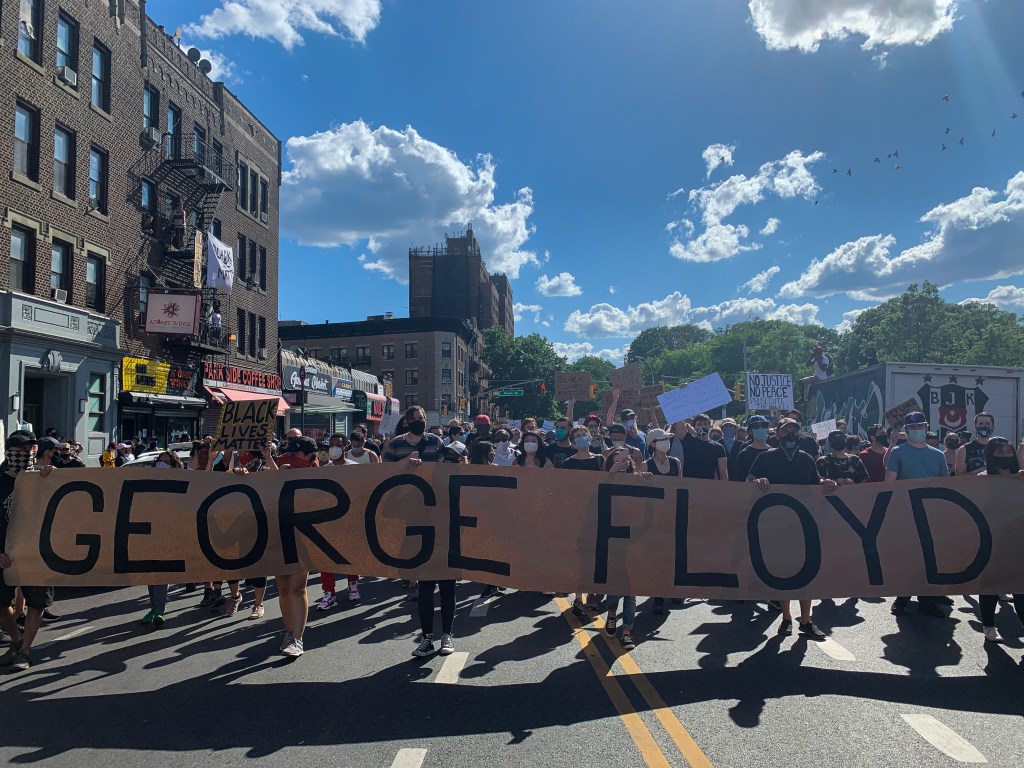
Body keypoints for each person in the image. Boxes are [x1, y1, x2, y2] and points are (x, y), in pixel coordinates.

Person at [747, 418, 837, 640]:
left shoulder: (806, 459)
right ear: (777, 434)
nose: (790, 434)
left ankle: (806, 620)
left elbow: (815, 483)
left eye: (794, 431)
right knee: (783, 572)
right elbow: (748, 481)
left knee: (806, 573)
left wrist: (827, 482)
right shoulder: (765, 458)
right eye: (786, 430)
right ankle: (786, 617)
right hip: (776, 523)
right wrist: (757, 482)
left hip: (803, 524)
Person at [885, 412, 953, 617]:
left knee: (929, 557)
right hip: (906, 513)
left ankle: (927, 598)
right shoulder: (898, 452)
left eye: (920, 427)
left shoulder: (938, 454)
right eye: (913, 428)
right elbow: (890, 482)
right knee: (907, 557)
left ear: (926, 427)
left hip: (931, 513)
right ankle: (902, 596)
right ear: (907, 430)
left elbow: (945, 485)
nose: (917, 431)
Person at [0, 431, 56, 671]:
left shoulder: (43, 478)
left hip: (38, 552)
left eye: (31, 449)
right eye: (21, 449)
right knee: (1, 606)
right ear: (10, 452)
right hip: (6, 554)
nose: (27, 454)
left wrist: (54, 477)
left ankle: (25, 651)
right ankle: (16, 639)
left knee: (36, 602)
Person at [603, 447, 653, 651]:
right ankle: (612, 614)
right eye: (617, 456)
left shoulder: (636, 477)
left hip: (634, 538)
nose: (622, 459)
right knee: (616, 586)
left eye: (625, 457)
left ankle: (627, 632)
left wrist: (647, 478)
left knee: (631, 589)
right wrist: (613, 471)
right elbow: (599, 493)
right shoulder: (607, 477)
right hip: (612, 538)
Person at [975, 437, 1024, 642]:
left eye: (1008, 451)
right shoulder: (981, 480)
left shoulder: (1021, 478)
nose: (1005, 455)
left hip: (1019, 540)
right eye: (1000, 452)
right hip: (992, 540)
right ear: (990, 456)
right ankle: (988, 625)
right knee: (991, 585)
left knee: (1020, 586)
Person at [678, 414, 728, 481]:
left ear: (710, 426)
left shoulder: (719, 447)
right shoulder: (689, 441)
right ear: (694, 427)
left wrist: (724, 490)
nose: (703, 426)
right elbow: (678, 420)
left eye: (705, 424)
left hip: (708, 487)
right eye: (699, 424)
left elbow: (723, 473)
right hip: (689, 486)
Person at [733, 415, 771, 483]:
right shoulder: (743, 455)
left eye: (764, 426)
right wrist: (753, 482)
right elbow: (739, 482)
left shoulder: (774, 452)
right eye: (756, 427)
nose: (761, 428)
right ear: (750, 432)